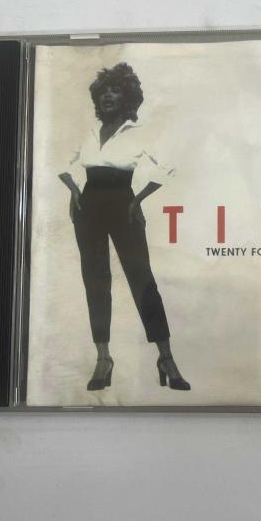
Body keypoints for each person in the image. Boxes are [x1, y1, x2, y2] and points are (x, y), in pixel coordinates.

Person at [58, 62, 190, 392]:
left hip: (122, 205)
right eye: (104, 91)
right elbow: (62, 163)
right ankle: (103, 358)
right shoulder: (89, 133)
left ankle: (166, 358)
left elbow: (169, 165)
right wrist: (74, 190)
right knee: (95, 280)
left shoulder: (139, 132)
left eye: (115, 90)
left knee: (142, 279)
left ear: (127, 97)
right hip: (88, 207)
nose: (108, 96)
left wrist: (138, 199)